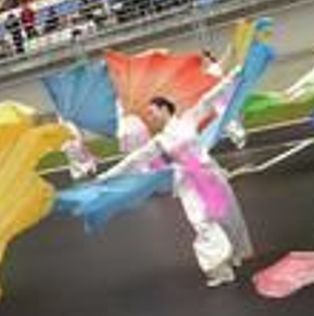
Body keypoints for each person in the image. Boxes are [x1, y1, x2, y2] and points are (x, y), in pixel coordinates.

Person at [97, 71, 254, 286]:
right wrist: (107, 175)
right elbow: (134, 160)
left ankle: (232, 255)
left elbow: (209, 99)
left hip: (208, 176)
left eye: (152, 112)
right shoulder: (160, 140)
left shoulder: (189, 119)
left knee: (224, 217)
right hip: (189, 183)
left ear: (164, 108)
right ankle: (219, 267)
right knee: (201, 223)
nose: (150, 117)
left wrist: (232, 77)